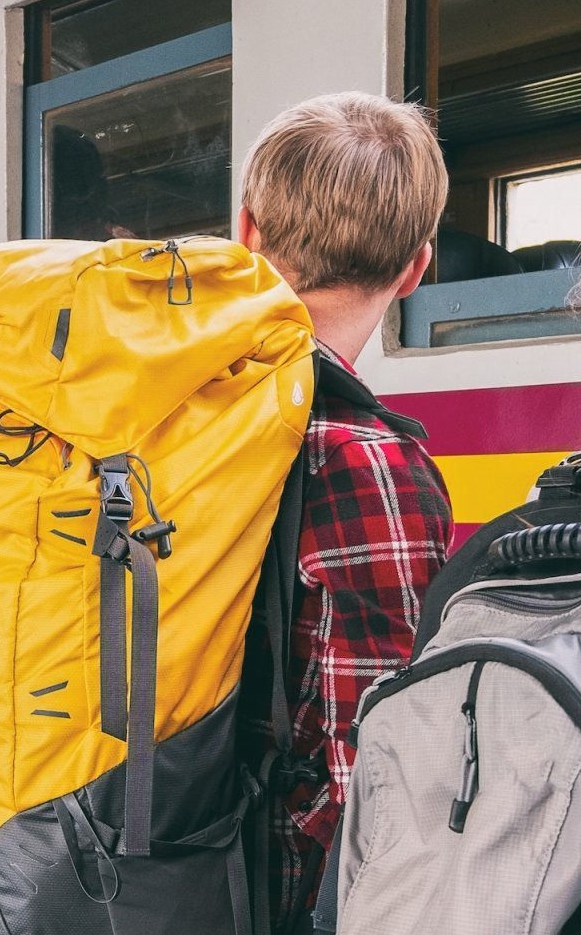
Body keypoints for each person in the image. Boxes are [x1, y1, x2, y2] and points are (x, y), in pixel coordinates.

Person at [232, 92, 455, 927]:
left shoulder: (148, 412)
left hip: (97, 861)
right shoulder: (362, 458)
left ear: (246, 229)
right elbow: (376, 770)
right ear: (415, 269)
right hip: (256, 894)